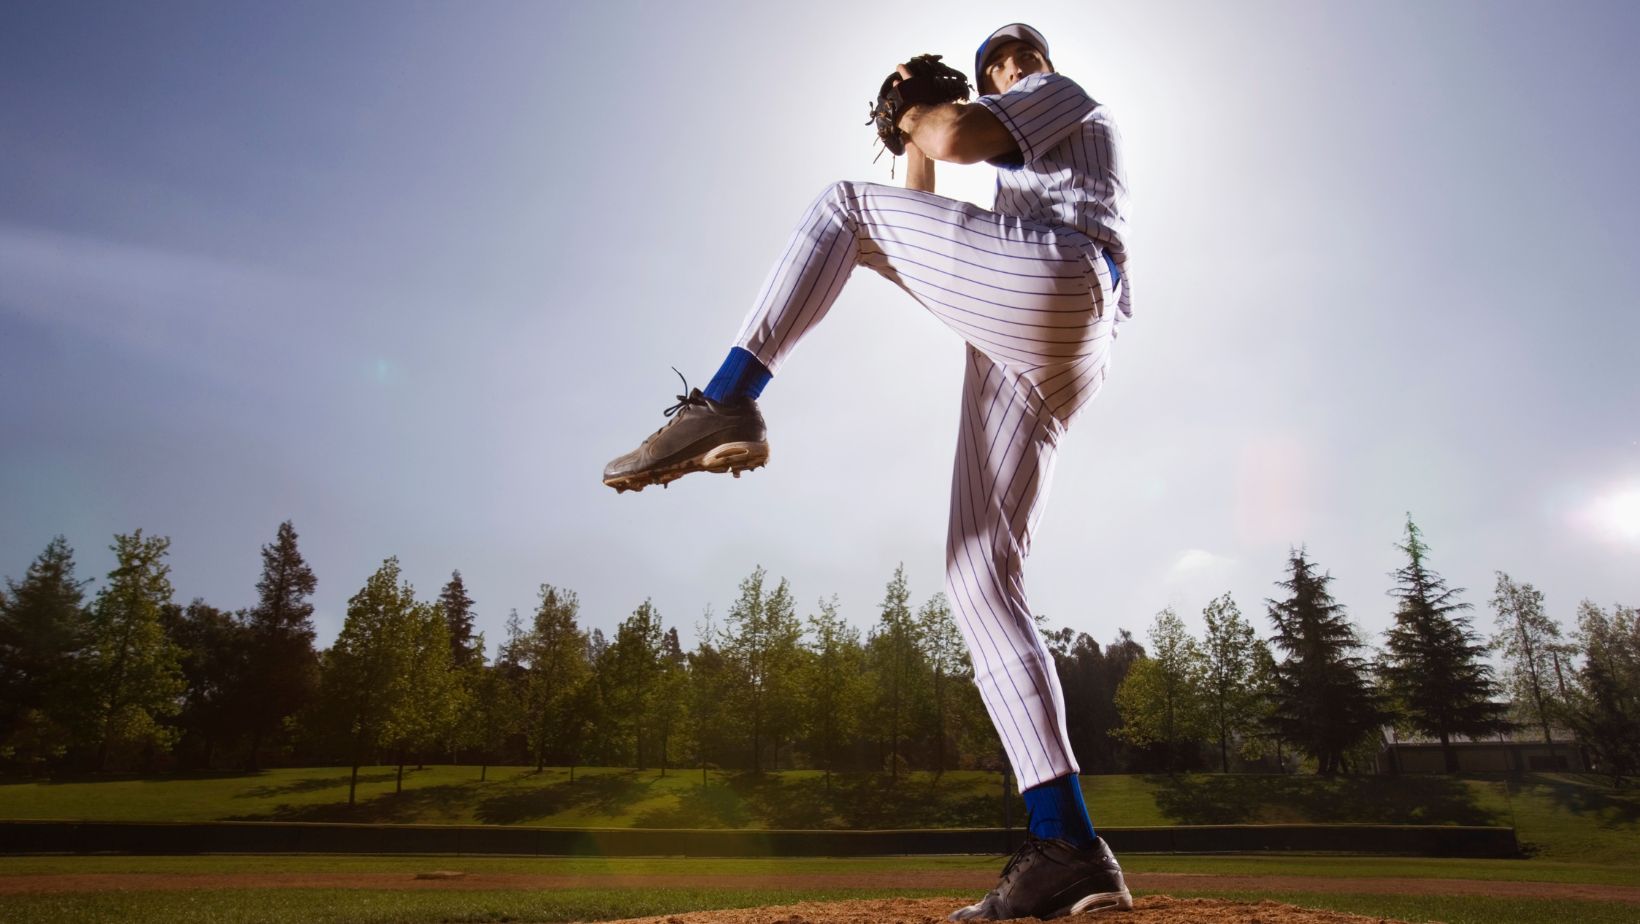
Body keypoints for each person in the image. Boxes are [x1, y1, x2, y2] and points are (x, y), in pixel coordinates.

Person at [604, 22, 1134, 920]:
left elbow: (954, 138)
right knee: (977, 576)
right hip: (1032, 338)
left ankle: (728, 396)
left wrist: (920, 107)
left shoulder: (1065, 95)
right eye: (994, 64)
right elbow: (919, 199)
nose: (1010, 68)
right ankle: (1068, 846)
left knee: (839, 206)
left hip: (1066, 284)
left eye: (1017, 57)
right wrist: (907, 130)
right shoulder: (1008, 173)